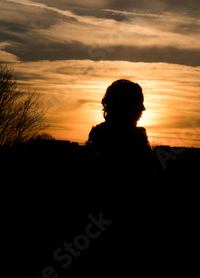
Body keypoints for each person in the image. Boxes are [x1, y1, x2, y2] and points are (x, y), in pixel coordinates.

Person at [85, 79, 157, 276]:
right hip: (122, 244)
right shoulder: (116, 146)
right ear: (123, 106)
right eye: (137, 103)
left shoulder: (105, 142)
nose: (143, 108)